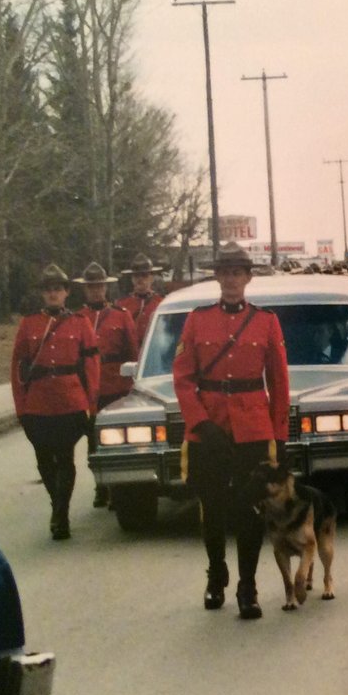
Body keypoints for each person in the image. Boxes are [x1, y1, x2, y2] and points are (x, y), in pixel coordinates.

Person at [172, 241, 290, 620]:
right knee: (213, 507)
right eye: (225, 273)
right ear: (217, 277)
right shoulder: (196, 319)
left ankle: (247, 586)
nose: (231, 280)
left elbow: (279, 383)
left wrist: (279, 435)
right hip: (208, 428)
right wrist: (200, 422)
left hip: (253, 428)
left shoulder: (266, 321)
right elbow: (183, 378)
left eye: (238, 273)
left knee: (250, 510)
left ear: (248, 278)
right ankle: (216, 571)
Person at [11, 264, 100, 541]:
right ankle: (57, 503)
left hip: (70, 401)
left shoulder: (80, 323)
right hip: (38, 403)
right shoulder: (29, 324)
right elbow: (18, 367)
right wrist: (21, 407)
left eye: (57, 289)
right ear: (43, 294)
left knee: (65, 457)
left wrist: (91, 403)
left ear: (66, 293)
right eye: (48, 290)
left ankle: (60, 513)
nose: (53, 294)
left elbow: (91, 365)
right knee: (43, 460)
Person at [74, 262, 139, 508]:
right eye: (91, 287)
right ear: (85, 290)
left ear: (106, 288)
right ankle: (101, 486)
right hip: (90, 389)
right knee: (93, 442)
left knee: (118, 441)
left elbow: (132, 352)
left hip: (117, 386)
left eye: (99, 286)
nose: (95, 291)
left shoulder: (121, 316)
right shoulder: (78, 318)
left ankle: (117, 489)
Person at [117, 253, 164, 345]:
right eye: (136, 276)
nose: (140, 279)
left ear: (152, 278)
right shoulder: (121, 305)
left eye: (144, 275)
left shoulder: (161, 303)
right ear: (132, 279)